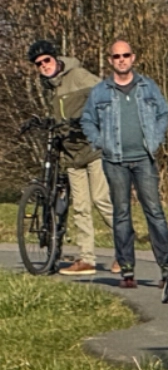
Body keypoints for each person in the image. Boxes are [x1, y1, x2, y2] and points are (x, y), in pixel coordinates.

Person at [81, 39, 168, 289]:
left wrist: (155, 139)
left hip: (144, 159)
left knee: (154, 212)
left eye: (125, 55)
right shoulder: (100, 91)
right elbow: (87, 120)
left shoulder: (148, 86)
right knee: (121, 215)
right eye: (116, 56)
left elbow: (164, 113)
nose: (121, 60)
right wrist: (100, 142)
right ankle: (127, 269)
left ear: (133, 58)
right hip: (115, 161)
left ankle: (167, 267)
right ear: (110, 60)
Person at [27, 39, 115, 276]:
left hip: (93, 149)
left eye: (46, 60)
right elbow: (63, 115)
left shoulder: (78, 76)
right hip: (71, 154)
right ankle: (86, 259)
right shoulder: (51, 86)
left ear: (55, 58)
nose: (44, 66)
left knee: (102, 200)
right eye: (39, 64)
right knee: (81, 208)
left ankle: (125, 251)